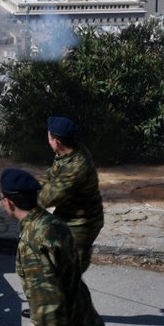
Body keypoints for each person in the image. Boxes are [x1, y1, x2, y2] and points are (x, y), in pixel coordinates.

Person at [0, 167, 105, 326]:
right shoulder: (54, 223)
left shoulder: (32, 242)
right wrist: (37, 323)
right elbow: (68, 277)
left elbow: (49, 299)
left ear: (8, 202)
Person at [39, 116, 104, 274]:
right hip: (67, 218)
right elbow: (51, 174)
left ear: (56, 142)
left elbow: (46, 199)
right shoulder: (68, 151)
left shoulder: (76, 166)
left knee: (69, 274)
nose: (48, 139)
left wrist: (20, 194)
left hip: (81, 226)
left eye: (49, 136)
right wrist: (32, 185)